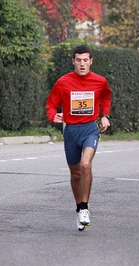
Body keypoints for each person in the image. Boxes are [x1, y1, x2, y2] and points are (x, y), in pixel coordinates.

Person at [46, 45, 112, 231]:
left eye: (85, 60)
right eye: (78, 60)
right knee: (75, 174)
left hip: (90, 129)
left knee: (85, 165)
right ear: (73, 61)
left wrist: (105, 115)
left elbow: (106, 96)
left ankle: (84, 207)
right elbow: (51, 104)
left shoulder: (99, 81)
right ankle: (79, 208)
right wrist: (53, 116)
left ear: (91, 61)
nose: (82, 64)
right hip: (71, 131)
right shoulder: (63, 82)